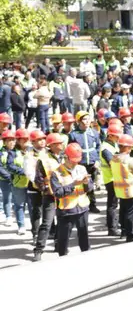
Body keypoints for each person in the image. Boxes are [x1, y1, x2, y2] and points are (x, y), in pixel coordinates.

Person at [51, 143, 93, 257]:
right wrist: (73, 184)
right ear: (66, 157)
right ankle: (62, 257)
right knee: (63, 239)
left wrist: (86, 183)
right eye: (73, 160)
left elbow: (89, 188)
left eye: (77, 160)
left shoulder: (82, 168)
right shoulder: (57, 173)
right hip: (66, 211)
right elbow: (58, 193)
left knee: (84, 236)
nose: (75, 163)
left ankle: (87, 256)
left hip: (82, 207)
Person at [32, 133, 66, 261]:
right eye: (58, 143)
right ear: (51, 145)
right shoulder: (44, 160)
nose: (61, 145)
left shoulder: (64, 157)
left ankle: (59, 245)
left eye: (61, 142)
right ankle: (38, 249)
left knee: (62, 221)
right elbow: (38, 179)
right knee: (47, 223)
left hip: (63, 194)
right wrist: (46, 189)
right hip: (50, 195)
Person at [111, 134, 133, 242]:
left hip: (121, 191)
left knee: (123, 211)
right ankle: (131, 234)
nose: (131, 149)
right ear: (127, 147)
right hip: (132, 190)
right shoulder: (129, 160)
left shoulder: (114, 159)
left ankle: (124, 232)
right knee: (131, 214)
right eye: (130, 147)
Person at [68, 111, 102, 213]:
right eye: (84, 119)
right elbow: (70, 149)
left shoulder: (94, 133)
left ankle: (92, 204)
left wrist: (97, 160)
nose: (87, 121)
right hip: (80, 163)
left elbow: (98, 147)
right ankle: (80, 205)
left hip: (92, 163)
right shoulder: (73, 134)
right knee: (80, 184)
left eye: (88, 119)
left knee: (90, 185)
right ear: (78, 121)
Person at [99, 124, 121, 236]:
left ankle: (115, 223)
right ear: (110, 136)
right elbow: (112, 163)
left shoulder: (113, 144)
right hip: (110, 178)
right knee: (112, 204)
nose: (118, 138)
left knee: (114, 203)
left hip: (115, 177)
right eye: (116, 136)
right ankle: (112, 228)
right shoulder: (106, 149)